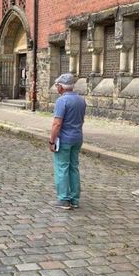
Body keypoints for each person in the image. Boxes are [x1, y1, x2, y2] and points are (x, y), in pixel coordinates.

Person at [49, 73, 86, 210]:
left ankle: (64, 199)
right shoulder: (81, 100)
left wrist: (52, 141)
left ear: (61, 87)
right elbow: (81, 120)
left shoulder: (62, 101)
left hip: (64, 139)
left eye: (57, 86)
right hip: (77, 137)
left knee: (62, 168)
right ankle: (75, 199)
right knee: (74, 168)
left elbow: (57, 124)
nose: (57, 88)